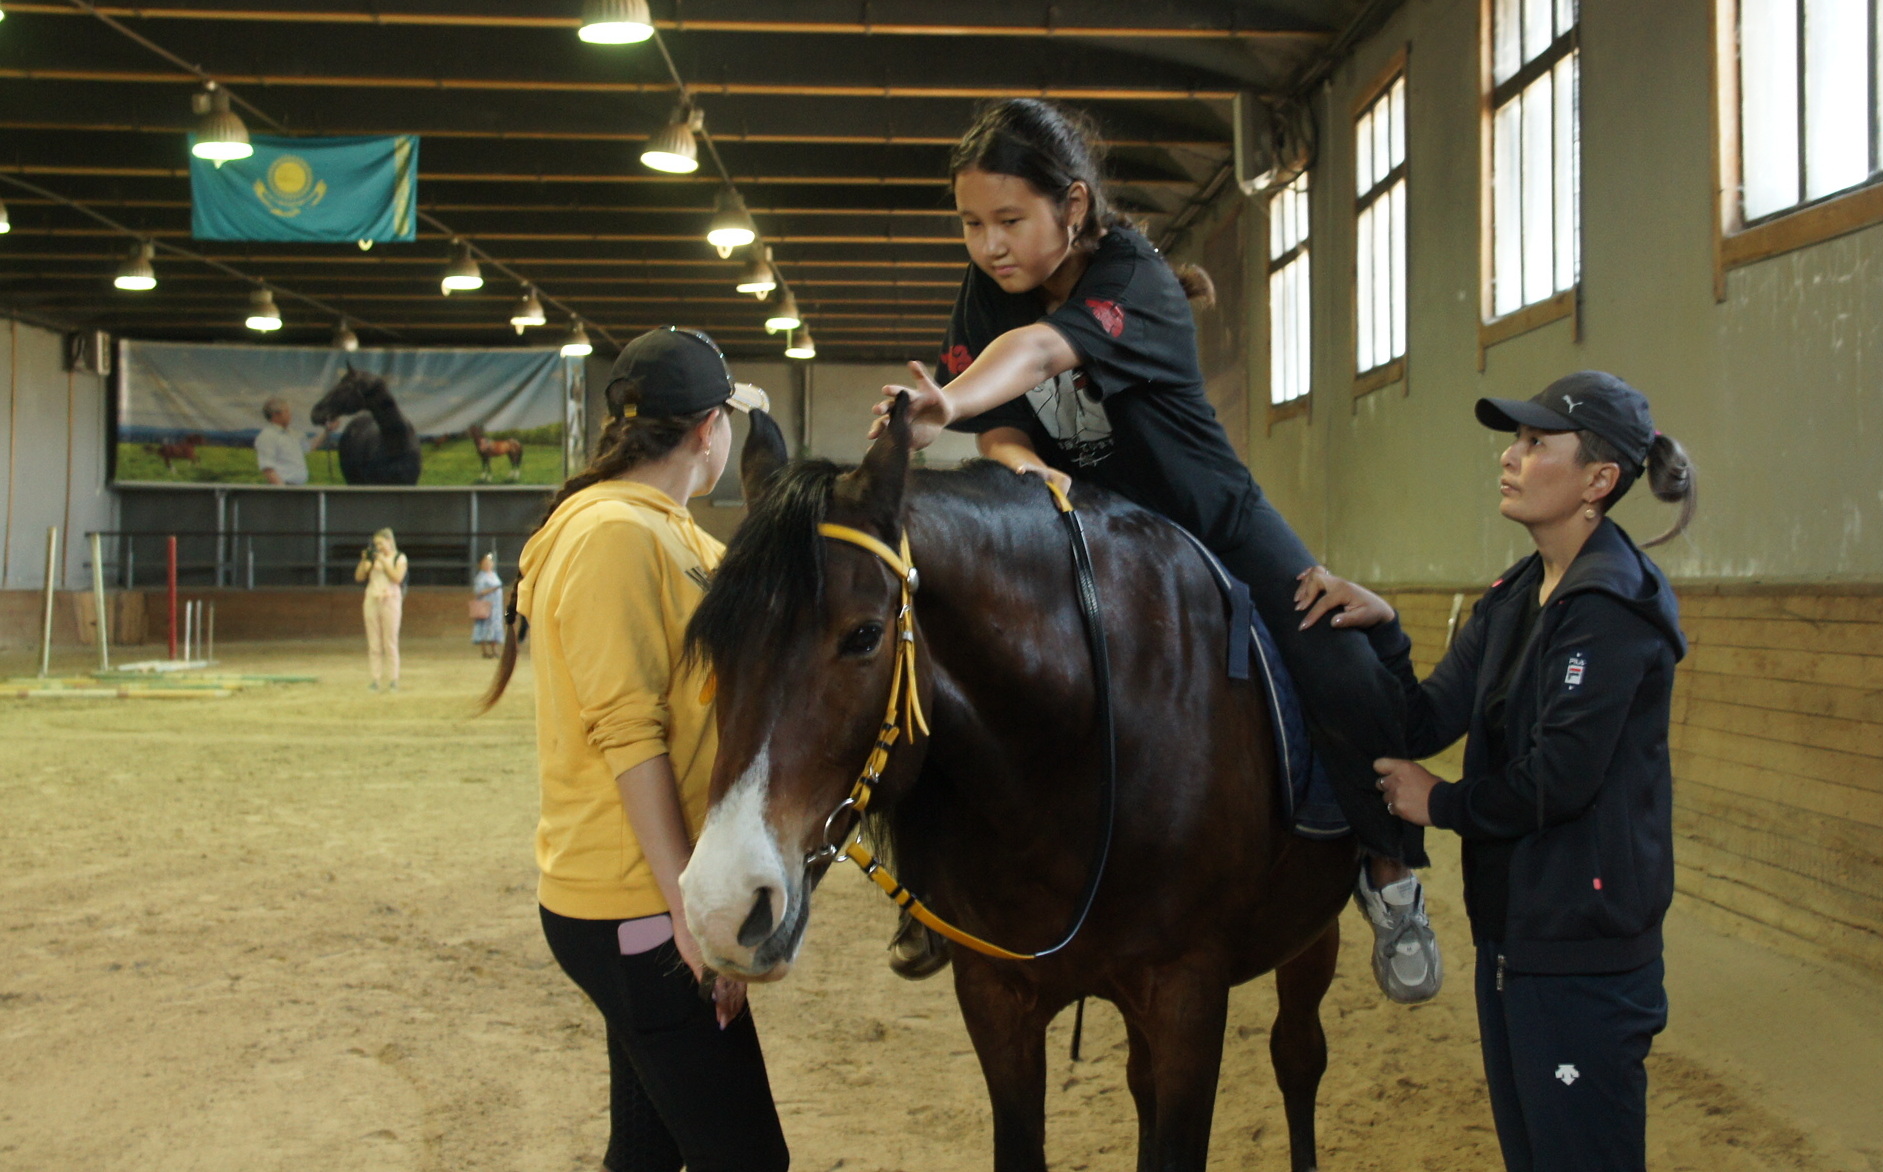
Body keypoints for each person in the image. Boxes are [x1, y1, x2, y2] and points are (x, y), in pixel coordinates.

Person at [868, 97, 1439, 1003]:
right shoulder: (985, 289)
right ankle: (947, 885)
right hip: (1089, 526)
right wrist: (1017, 461)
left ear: (1075, 206)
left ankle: (1386, 864)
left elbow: (1037, 352)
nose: (989, 245)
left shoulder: (1136, 278)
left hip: (1208, 515)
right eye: (972, 225)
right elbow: (1007, 429)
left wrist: (953, 402)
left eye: (1010, 221)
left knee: (1337, 653)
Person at [1300, 371, 1696, 1172]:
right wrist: (1382, 632)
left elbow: (1562, 779)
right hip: (1516, 938)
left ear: (1598, 480)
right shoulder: (1518, 595)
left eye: (1535, 443)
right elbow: (1425, 719)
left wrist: (1439, 802)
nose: (1510, 458)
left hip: (1582, 952)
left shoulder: (1612, 607)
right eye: (1514, 441)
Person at [480, 328, 788, 1172]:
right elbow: (628, 733)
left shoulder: (676, 533)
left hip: (647, 896)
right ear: (706, 432)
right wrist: (690, 918)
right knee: (747, 1158)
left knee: (647, 1151)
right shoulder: (612, 535)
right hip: (635, 901)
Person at [355, 528, 407, 692]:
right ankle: (375, 679)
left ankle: (393, 679)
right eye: (376, 544)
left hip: (391, 600)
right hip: (372, 599)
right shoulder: (373, 558)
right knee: (374, 643)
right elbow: (359, 577)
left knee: (390, 642)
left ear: (390, 541)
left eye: (381, 543)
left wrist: (384, 562)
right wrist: (364, 561)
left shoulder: (399, 558)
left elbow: (397, 578)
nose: (378, 547)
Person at [254, 396, 327, 485]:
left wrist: (327, 431)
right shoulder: (267, 436)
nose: (290, 414)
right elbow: (268, 468)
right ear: (276, 414)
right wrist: (283, 491)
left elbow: (309, 447)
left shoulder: (293, 434)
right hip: (284, 489)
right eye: (287, 411)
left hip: (298, 488)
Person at [469, 553, 504, 659]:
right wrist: (493, 589)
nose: (487, 565)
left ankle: (494, 649)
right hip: (485, 605)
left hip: (496, 608)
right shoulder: (481, 577)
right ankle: (484, 651)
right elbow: (478, 591)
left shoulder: (494, 575)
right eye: (485, 563)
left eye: (489, 562)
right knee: (484, 626)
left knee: (494, 626)